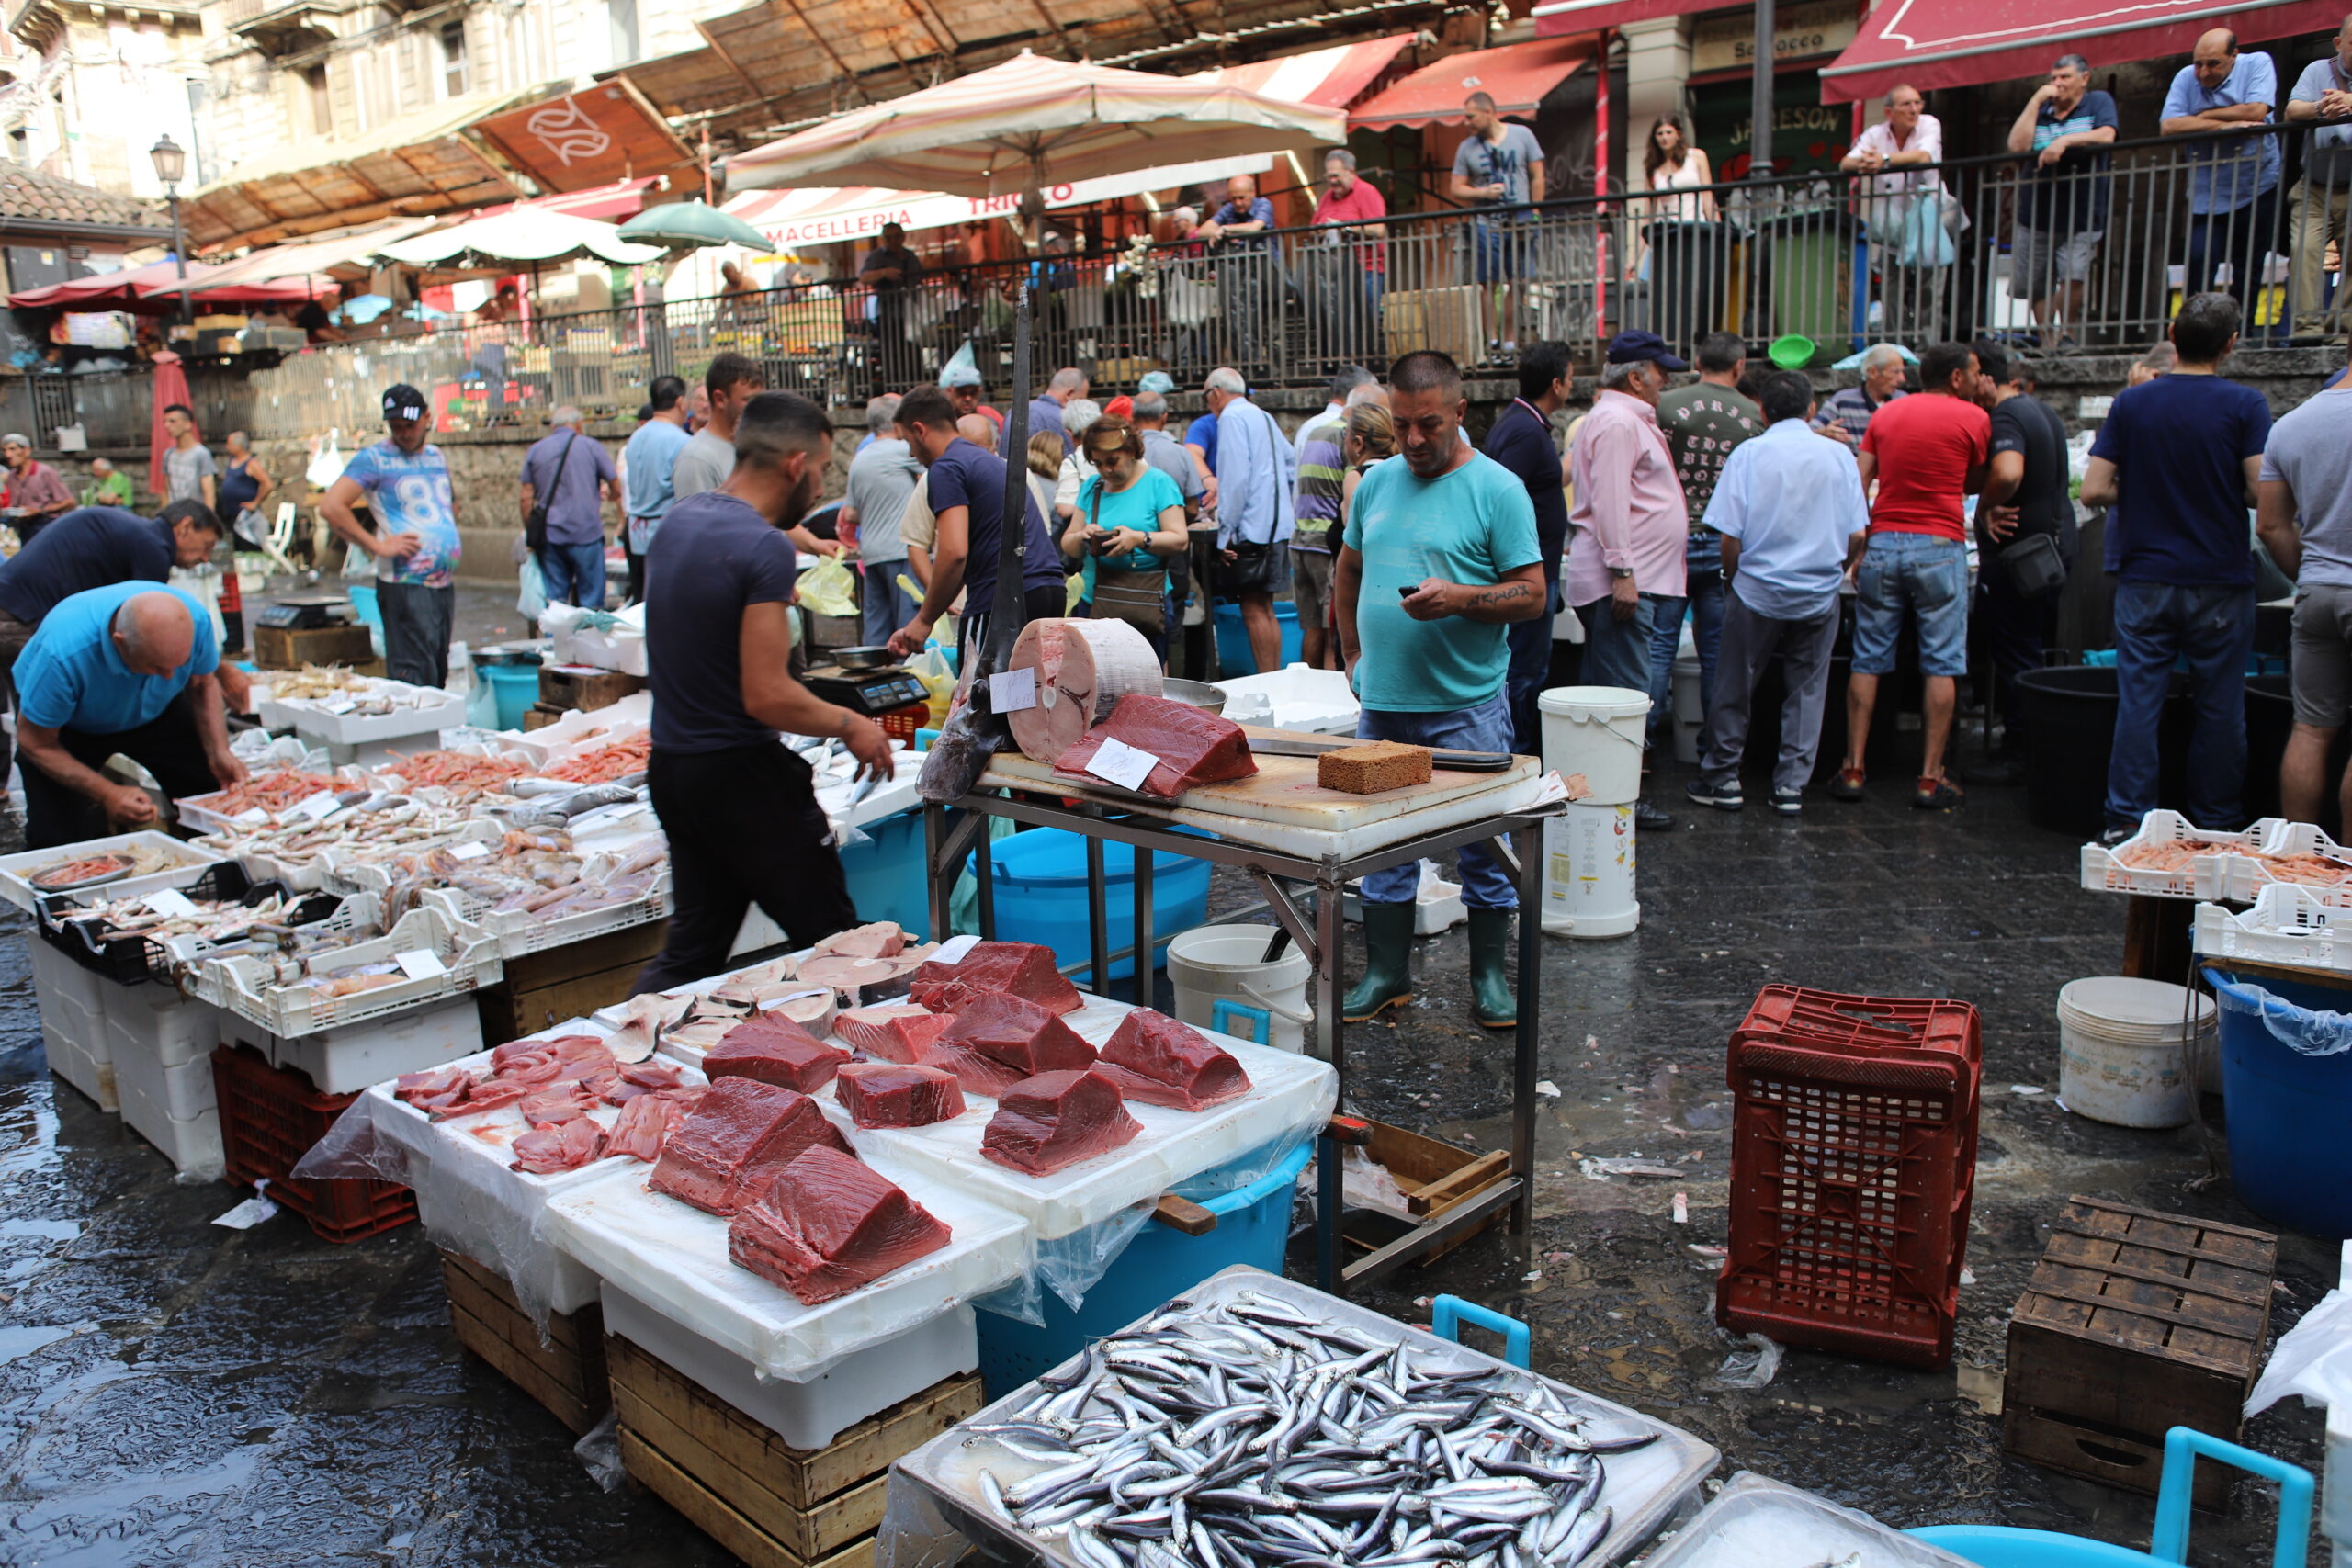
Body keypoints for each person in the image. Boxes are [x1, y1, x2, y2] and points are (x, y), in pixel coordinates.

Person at [634, 392, 894, 994]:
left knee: (693, 950)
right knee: (836, 946)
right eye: (824, 469)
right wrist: (852, 724)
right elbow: (768, 694)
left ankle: (607, 1066)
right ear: (796, 465)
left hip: (674, 770)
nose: (821, 483)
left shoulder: (680, 522)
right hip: (742, 780)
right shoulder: (764, 546)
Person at [1335, 350, 1545, 1029]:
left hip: (1466, 707)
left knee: (1483, 847)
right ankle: (1386, 971)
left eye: (1429, 424)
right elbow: (1347, 570)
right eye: (1402, 426)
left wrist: (1460, 598)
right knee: (1382, 849)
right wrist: (1353, 655)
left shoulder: (1498, 490)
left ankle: (1487, 976)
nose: (1415, 441)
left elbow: (1533, 595)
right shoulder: (1374, 484)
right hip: (1385, 706)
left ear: (1460, 412)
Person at [2083, 292, 2270, 840]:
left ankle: (2127, 821)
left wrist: (2143, 492)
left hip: (2145, 577)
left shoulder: (2133, 403)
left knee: (2138, 702)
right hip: (2219, 578)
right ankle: (2215, 822)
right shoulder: (2246, 405)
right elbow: (2260, 490)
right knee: (2221, 706)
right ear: (2231, 344)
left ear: (2171, 332)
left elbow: (2094, 488)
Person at [1684, 371, 1871, 817]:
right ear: (1812, 409)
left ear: (1762, 411)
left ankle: (1724, 777)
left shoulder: (1749, 454)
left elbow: (1729, 537)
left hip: (1756, 589)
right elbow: (1858, 534)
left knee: (1735, 683)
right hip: (1819, 590)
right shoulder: (1839, 455)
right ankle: (1790, 787)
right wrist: (1834, 571)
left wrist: (1733, 578)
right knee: (1807, 691)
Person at [1836, 341, 1990, 810]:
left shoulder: (1884, 415)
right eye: (1975, 372)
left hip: (1883, 543)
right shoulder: (1974, 418)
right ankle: (1929, 777)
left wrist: (1860, 544)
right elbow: (1976, 480)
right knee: (1942, 662)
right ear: (1958, 378)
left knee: (1867, 656)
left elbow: (1857, 482)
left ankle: (1853, 768)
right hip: (1940, 546)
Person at [12, 583, 243, 849]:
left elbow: (202, 685)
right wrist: (107, 792)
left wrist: (219, 751)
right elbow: (35, 743)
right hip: (69, 723)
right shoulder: (61, 656)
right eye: (156, 665)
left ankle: (215, 865)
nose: (169, 676)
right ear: (119, 642)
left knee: (212, 792)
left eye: (177, 666)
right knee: (57, 835)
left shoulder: (196, 620)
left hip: (159, 710)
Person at [1567, 331, 1690, 833]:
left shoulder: (1623, 419)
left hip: (1637, 578)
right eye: (1660, 372)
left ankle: (1609, 792)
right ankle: (1621, 798)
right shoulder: (1619, 421)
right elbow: (1612, 503)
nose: (1665, 382)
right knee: (1626, 694)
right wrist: (1622, 572)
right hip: (1625, 581)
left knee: (1617, 691)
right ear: (1636, 377)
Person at [885, 382, 1068, 669]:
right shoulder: (989, 461)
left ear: (920, 430)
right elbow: (968, 554)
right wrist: (925, 619)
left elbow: (954, 551)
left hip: (1002, 602)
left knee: (985, 700)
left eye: (908, 441)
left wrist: (923, 620)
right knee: (1027, 702)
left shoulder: (947, 467)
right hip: (1048, 590)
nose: (912, 454)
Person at [1967, 344, 2075, 785]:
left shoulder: (2006, 417)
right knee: (2034, 650)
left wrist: (1985, 505)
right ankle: (2039, 746)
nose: (1968, 385)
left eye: (1972, 375)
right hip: (2052, 550)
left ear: (1989, 379)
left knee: (2015, 656)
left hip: (2020, 559)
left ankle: (2019, 751)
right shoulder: (2042, 411)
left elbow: (2009, 473)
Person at [0, 499, 224, 703]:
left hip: (12, 602)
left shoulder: (133, 531)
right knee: (45, 715)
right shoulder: (153, 547)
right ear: (185, 527)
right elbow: (150, 629)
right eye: (206, 546)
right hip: (21, 615)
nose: (204, 558)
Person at [2257, 341, 2352, 819]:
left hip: (2315, 594)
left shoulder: (2291, 423)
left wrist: (2311, 576)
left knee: (2311, 730)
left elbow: (2271, 526)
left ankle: (2297, 868)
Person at [1652, 331, 1760, 740]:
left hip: (1672, 541)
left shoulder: (1666, 405)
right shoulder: (1754, 415)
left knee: (1661, 646)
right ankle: (1716, 747)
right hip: (1723, 544)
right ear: (1740, 365)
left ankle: (1643, 750)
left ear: (1697, 362)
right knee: (1717, 650)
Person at [322, 384, 461, 688]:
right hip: (405, 583)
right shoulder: (374, 458)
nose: (405, 433)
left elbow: (449, 504)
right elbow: (331, 506)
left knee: (437, 668)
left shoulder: (436, 456)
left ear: (427, 417)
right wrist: (376, 545)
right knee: (413, 672)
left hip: (441, 583)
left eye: (410, 425)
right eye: (397, 427)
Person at [1484, 340, 1573, 755]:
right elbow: (1501, 495)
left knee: (1527, 670)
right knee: (1524, 673)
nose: (1572, 385)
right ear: (1556, 383)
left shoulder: (1522, 423)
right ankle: (1516, 753)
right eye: (1571, 378)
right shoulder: (1523, 429)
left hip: (1538, 567)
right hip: (1526, 573)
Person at [2162, 31, 2282, 314]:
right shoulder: (2184, 78)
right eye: (2198, 64)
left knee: (2249, 265)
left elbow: (2256, 110)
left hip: (2256, 182)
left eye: (2213, 64)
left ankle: (2243, 332)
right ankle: (2196, 332)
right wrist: (2222, 125)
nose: (2203, 72)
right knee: (2200, 260)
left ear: (2234, 56)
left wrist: (2201, 117)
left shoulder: (2257, 64)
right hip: (2207, 188)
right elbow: (2169, 126)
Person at [2007, 53, 2120, 350]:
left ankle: (2067, 334)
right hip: (2036, 210)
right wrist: (2035, 101)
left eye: (2065, 77)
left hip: (2081, 210)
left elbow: (2107, 135)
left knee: (2074, 274)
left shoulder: (2098, 102)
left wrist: (2065, 141)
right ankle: (2048, 340)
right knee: (2037, 281)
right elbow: (2017, 146)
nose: (2057, 84)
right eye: (2053, 78)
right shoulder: (2042, 109)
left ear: (2084, 78)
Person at [1059, 415, 1187, 659]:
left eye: (1113, 461)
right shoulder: (1093, 487)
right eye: (1098, 463)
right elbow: (1068, 544)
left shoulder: (1158, 483)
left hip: (1144, 600)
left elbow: (1180, 539)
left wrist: (1138, 539)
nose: (1106, 470)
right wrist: (1082, 537)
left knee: (1146, 683)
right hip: (1095, 599)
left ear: (1130, 451)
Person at [1204, 366, 1295, 673]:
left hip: (1252, 528)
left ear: (1215, 392)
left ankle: (1266, 679)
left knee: (1252, 607)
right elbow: (1289, 460)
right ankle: (1274, 680)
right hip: (1277, 524)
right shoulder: (1263, 415)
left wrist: (1225, 531)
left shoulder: (1231, 417)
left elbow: (1234, 479)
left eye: (1207, 397)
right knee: (1265, 606)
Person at [1842, 85, 1949, 340]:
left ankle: (1926, 343)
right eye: (1906, 105)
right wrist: (1866, 162)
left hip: (1927, 218)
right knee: (1891, 284)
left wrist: (1884, 160)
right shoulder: (1875, 133)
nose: (1914, 110)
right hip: (1892, 222)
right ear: (1889, 111)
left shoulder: (1929, 124)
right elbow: (1846, 163)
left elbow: (1924, 156)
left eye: (1917, 103)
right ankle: (1892, 342)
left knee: (1928, 285)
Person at [1453, 92, 1546, 353]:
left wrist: (1535, 211)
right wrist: (1483, 193)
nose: (1467, 122)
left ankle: (1509, 339)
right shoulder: (1467, 147)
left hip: (1521, 218)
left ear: (1489, 111)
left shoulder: (1522, 135)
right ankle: (1492, 340)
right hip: (1486, 222)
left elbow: (1538, 175)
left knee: (1520, 281)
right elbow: (1456, 188)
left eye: (1471, 116)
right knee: (1489, 283)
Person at [2286, 15, 2352, 344]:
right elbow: (2292, 111)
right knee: (2304, 249)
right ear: (2338, 44)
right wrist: (2321, 107)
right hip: (2314, 185)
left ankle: (2343, 331)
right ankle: (2306, 330)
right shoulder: (2317, 70)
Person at [842, 394, 925, 649]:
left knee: (876, 629)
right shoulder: (903, 451)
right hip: (900, 551)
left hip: (871, 554)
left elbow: (850, 514)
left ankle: (874, 680)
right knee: (907, 627)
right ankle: (910, 682)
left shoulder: (860, 459)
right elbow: (932, 478)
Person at [520, 407, 622, 611]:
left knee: (556, 603)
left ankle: (556, 641)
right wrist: (610, 496)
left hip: (550, 537)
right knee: (591, 603)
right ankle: (588, 639)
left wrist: (531, 530)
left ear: (553, 426)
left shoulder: (536, 450)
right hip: (586, 535)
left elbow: (525, 497)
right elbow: (616, 486)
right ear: (578, 425)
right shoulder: (591, 447)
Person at [1291, 387, 1354, 670]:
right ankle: (1332, 702)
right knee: (1334, 630)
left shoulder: (1315, 429)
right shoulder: (1346, 436)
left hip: (1300, 538)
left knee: (1313, 627)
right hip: (1323, 542)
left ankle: (1309, 694)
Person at [1311, 152, 1387, 360]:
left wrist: (1345, 227)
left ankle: (1368, 362)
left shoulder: (1366, 192)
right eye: (1329, 177)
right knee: (1338, 319)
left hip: (1365, 267)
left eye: (1336, 176)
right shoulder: (1327, 197)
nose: (1332, 182)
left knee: (1366, 318)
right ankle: (1342, 362)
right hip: (1335, 271)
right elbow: (1313, 227)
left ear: (1351, 172)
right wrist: (1322, 229)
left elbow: (1378, 229)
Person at [622, 374, 691, 604]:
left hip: (636, 533)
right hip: (665, 534)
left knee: (643, 604)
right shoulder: (680, 441)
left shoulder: (636, 437)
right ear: (681, 402)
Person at [1198, 174, 1278, 372]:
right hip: (1241, 278)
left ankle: (1275, 373)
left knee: (1271, 327)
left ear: (1253, 193)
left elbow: (1255, 227)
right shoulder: (1229, 209)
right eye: (1233, 198)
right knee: (1241, 325)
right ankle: (1250, 370)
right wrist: (1217, 230)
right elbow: (1203, 231)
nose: (1238, 203)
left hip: (1268, 275)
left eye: (1242, 198)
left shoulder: (1263, 205)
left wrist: (1224, 229)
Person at [672, 353, 766, 502]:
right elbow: (695, 522)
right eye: (748, 400)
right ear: (720, 399)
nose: (758, 407)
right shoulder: (696, 459)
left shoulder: (752, 444)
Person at [858, 221, 924, 389]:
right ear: (884, 239)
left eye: (896, 237)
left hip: (909, 312)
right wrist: (884, 273)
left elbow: (918, 278)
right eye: (889, 238)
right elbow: (864, 277)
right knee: (891, 352)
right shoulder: (878, 256)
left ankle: (914, 384)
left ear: (903, 237)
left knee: (912, 350)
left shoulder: (910, 256)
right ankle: (895, 386)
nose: (893, 241)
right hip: (888, 312)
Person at [1811, 343, 1908, 446]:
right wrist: (1823, 433)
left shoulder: (1903, 401)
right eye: (1896, 372)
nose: (1902, 379)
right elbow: (1808, 432)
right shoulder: (1843, 401)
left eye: (1902, 372)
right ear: (1873, 372)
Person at [2, 434, 74, 540]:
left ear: (26, 450)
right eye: (4, 450)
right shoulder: (11, 476)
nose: (8, 455)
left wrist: (39, 510)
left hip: (46, 525)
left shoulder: (45, 472)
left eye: (13, 449)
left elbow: (69, 502)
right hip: (23, 527)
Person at [1053, 399, 1105, 529]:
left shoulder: (1074, 461)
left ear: (1069, 434)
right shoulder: (1120, 452)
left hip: (1090, 532)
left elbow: (1065, 509)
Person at [217, 431, 274, 543]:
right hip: (231, 513)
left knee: (247, 543)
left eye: (229, 444)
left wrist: (255, 502)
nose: (226, 447)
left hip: (246, 515)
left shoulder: (251, 463)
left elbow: (268, 484)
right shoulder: (232, 461)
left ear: (239, 446)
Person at [160, 403, 217, 513]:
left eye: (172, 421)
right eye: (165, 422)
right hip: (175, 516)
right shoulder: (168, 454)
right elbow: (165, 490)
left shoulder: (201, 454)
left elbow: (209, 493)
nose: (167, 425)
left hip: (196, 517)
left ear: (187, 424)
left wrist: (207, 522)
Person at [1030, 367, 1087, 458]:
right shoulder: (1064, 420)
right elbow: (1070, 462)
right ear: (1069, 394)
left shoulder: (1012, 413)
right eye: (1081, 400)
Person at [942, 364, 1003, 434]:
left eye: (973, 393)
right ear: (949, 391)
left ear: (980, 392)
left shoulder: (990, 415)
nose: (968, 398)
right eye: (962, 393)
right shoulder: (942, 421)